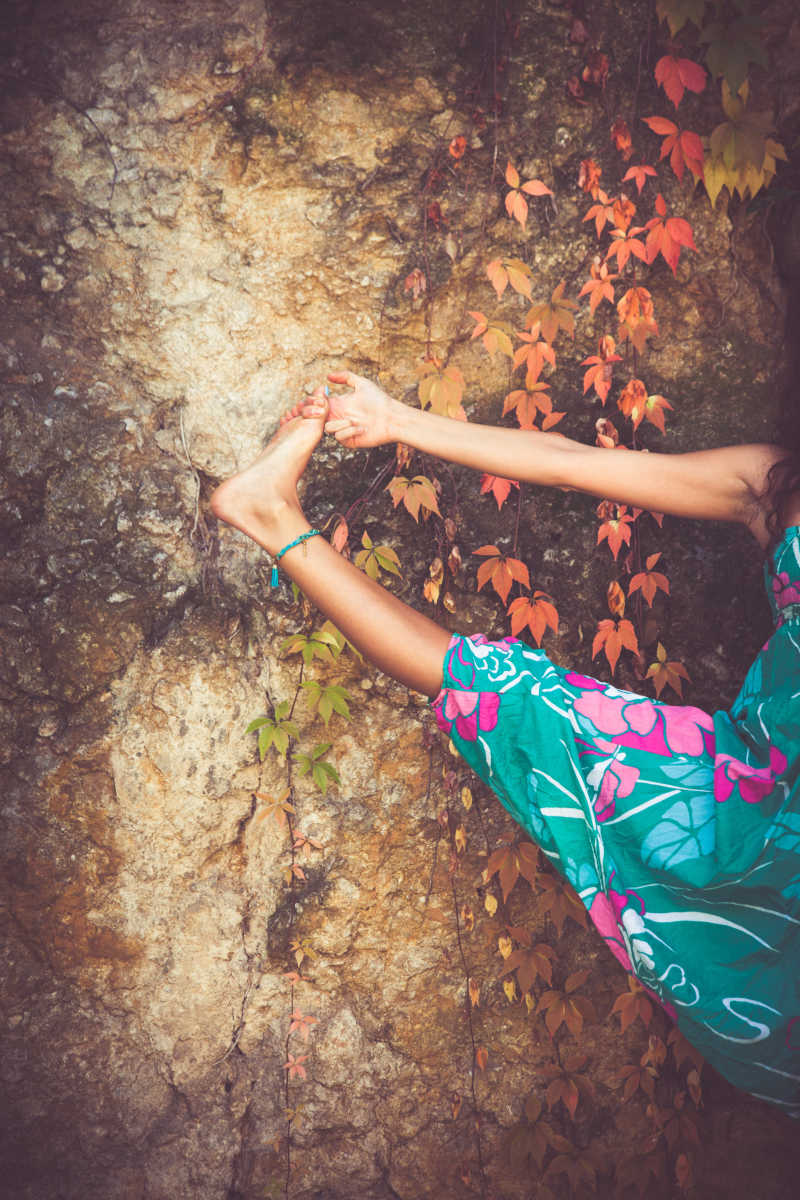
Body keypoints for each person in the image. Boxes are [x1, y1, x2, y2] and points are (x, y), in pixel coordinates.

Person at [210, 371, 800, 1114]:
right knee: (505, 693)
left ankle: (270, 515)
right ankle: (271, 516)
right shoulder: (774, 480)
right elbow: (570, 463)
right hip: (753, 802)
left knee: (505, 693)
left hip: (757, 814)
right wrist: (395, 419)